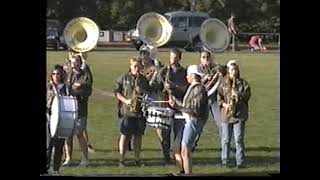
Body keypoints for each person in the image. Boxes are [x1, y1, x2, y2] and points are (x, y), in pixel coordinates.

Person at [168, 65, 209, 175]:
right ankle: (184, 172)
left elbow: (195, 111)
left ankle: (188, 174)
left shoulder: (199, 89)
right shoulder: (192, 87)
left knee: (186, 150)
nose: (186, 77)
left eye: (188, 75)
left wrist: (178, 107)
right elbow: (188, 105)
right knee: (180, 148)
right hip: (188, 121)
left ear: (193, 75)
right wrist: (176, 104)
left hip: (193, 121)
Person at [114, 57, 151, 167]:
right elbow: (117, 92)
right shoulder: (123, 77)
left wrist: (142, 90)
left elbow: (148, 93)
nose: (137, 68)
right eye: (135, 66)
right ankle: (121, 160)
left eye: (139, 66)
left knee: (138, 136)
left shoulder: (143, 79)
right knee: (125, 135)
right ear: (130, 66)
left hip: (140, 112)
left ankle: (137, 159)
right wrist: (126, 101)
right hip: (127, 111)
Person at [155, 48, 188, 165]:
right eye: (171, 57)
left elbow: (186, 89)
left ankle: (177, 156)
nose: (172, 60)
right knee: (165, 133)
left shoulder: (184, 72)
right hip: (165, 105)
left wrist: (173, 87)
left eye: (175, 58)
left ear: (179, 58)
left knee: (178, 133)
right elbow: (156, 87)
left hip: (178, 105)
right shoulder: (164, 71)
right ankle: (166, 157)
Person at [62, 51, 95, 167]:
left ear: (80, 63)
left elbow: (87, 91)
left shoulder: (84, 75)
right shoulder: (67, 74)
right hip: (68, 109)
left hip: (80, 109)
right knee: (67, 134)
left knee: (80, 133)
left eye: (76, 62)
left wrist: (74, 91)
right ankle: (68, 158)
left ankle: (85, 159)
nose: (74, 64)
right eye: (72, 62)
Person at [217, 60, 251, 168]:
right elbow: (219, 98)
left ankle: (240, 162)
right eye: (231, 69)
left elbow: (247, 96)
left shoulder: (243, 83)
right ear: (228, 71)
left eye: (235, 69)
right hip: (226, 115)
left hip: (239, 115)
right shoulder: (223, 83)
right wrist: (225, 105)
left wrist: (239, 95)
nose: (234, 72)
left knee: (238, 139)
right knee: (226, 139)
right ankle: (225, 161)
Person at [193, 50, 226, 151]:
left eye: (207, 57)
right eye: (203, 57)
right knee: (199, 124)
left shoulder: (215, 67)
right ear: (200, 59)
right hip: (202, 101)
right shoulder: (197, 69)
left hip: (215, 100)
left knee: (221, 123)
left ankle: (226, 145)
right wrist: (204, 79)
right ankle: (192, 144)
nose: (206, 59)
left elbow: (225, 70)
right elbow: (194, 84)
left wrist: (219, 69)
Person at [46, 65, 68, 175]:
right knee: (48, 145)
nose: (55, 76)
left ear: (61, 75)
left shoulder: (66, 88)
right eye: (54, 74)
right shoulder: (48, 87)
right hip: (49, 119)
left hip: (62, 120)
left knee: (59, 146)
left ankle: (56, 169)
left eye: (58, 74)